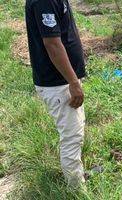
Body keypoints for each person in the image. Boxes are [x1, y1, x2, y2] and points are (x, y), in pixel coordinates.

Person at [25, 0, 86, 187]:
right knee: (71, 136)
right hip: (58, 83)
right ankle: (76, 188)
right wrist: (73, 82)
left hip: (63, 81)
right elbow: (52, 44)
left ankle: (76, 174)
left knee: (75, 130)